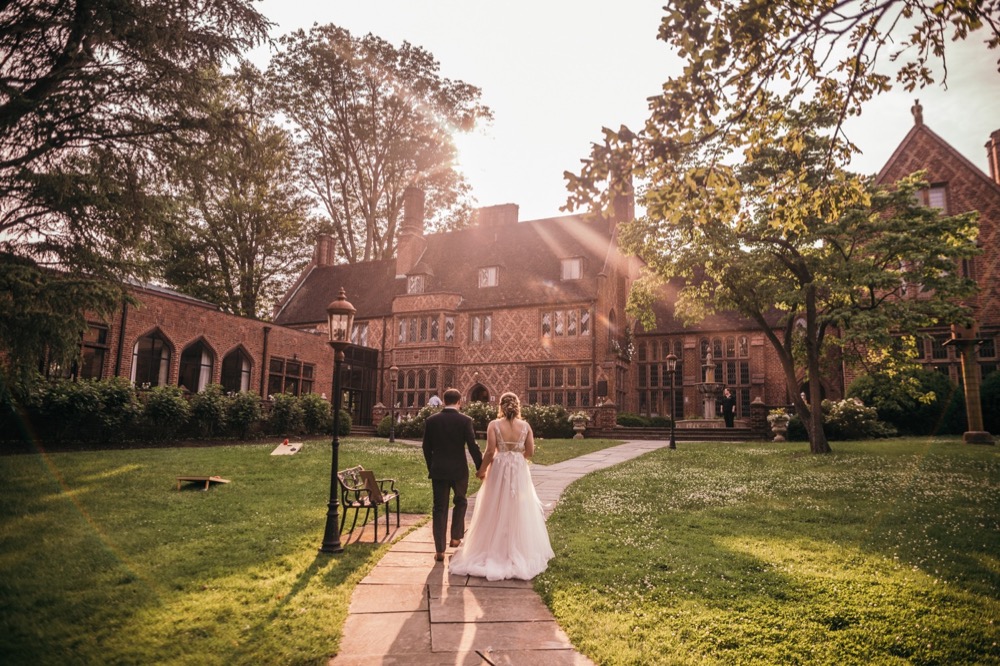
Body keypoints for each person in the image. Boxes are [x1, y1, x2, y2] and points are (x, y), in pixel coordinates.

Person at [449, 392, 554, 581]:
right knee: (519, 506)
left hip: (499, 468)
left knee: (494, 504)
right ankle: (519, 548)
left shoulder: (494, 425)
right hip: (519, 469)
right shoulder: (526, 426)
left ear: (501, 406)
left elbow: (490, 451)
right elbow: (530, 452)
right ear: (517, 406)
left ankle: (492, 547)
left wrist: (481, 471)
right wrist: (517, 458)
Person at [422, 388, 482, 562]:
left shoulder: (432, 420)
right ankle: (456, 537)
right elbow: (472, 446)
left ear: (443, 401)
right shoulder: (465, 420)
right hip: (459, 470)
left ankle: (439, 550)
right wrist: (480, 467)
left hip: (439, 470)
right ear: (459, 402)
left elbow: (426, 447)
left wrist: (432, 466)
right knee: (460, 501)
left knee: (439, 508)